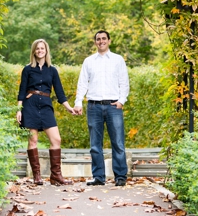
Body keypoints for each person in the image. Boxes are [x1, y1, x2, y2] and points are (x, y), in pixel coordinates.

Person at [73, 30, 130, 187]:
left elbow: (124, 82)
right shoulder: (89, 61)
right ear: (95, 42)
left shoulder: (118, 60)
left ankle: (120, 177)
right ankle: (98, 177)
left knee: (118, 142)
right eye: (98, 39)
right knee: (95, 145)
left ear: (109, 41)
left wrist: (121, 101)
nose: (101, 41)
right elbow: (82, 83)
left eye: (104, 38)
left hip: (113, 106)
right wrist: (78, 102)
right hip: (94, 106)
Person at [16, 39, 76, 186]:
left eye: (42, 48)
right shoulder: (28, 69)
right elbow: (22, 90)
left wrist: (69, 108)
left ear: (46, 50)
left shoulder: (52, 70)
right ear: (34, 51)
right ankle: (37, 176)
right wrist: (19, 110)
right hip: (30, 105)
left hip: (46, 106)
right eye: (37, 49)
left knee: (56, 140)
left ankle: (56, 176)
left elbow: (60, 93)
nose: (40, 51)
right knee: (33, 140)